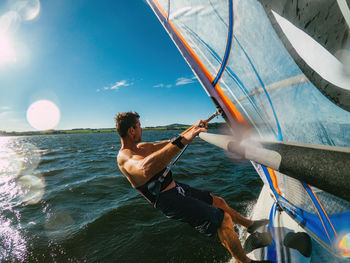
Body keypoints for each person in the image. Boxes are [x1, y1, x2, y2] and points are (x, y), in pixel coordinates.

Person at [116, 111, 273, 263]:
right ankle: (244, 261)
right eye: (139, 125)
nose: (141, 129)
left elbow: (171, 142)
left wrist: (194, 128)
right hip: (168, 200)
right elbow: (145, 169)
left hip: (177, 189)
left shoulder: (143, 147)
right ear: (131, 130)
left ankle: (250, 225)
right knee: (223, 220)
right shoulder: (124, 157)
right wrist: (183, 141)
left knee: (218, 202)